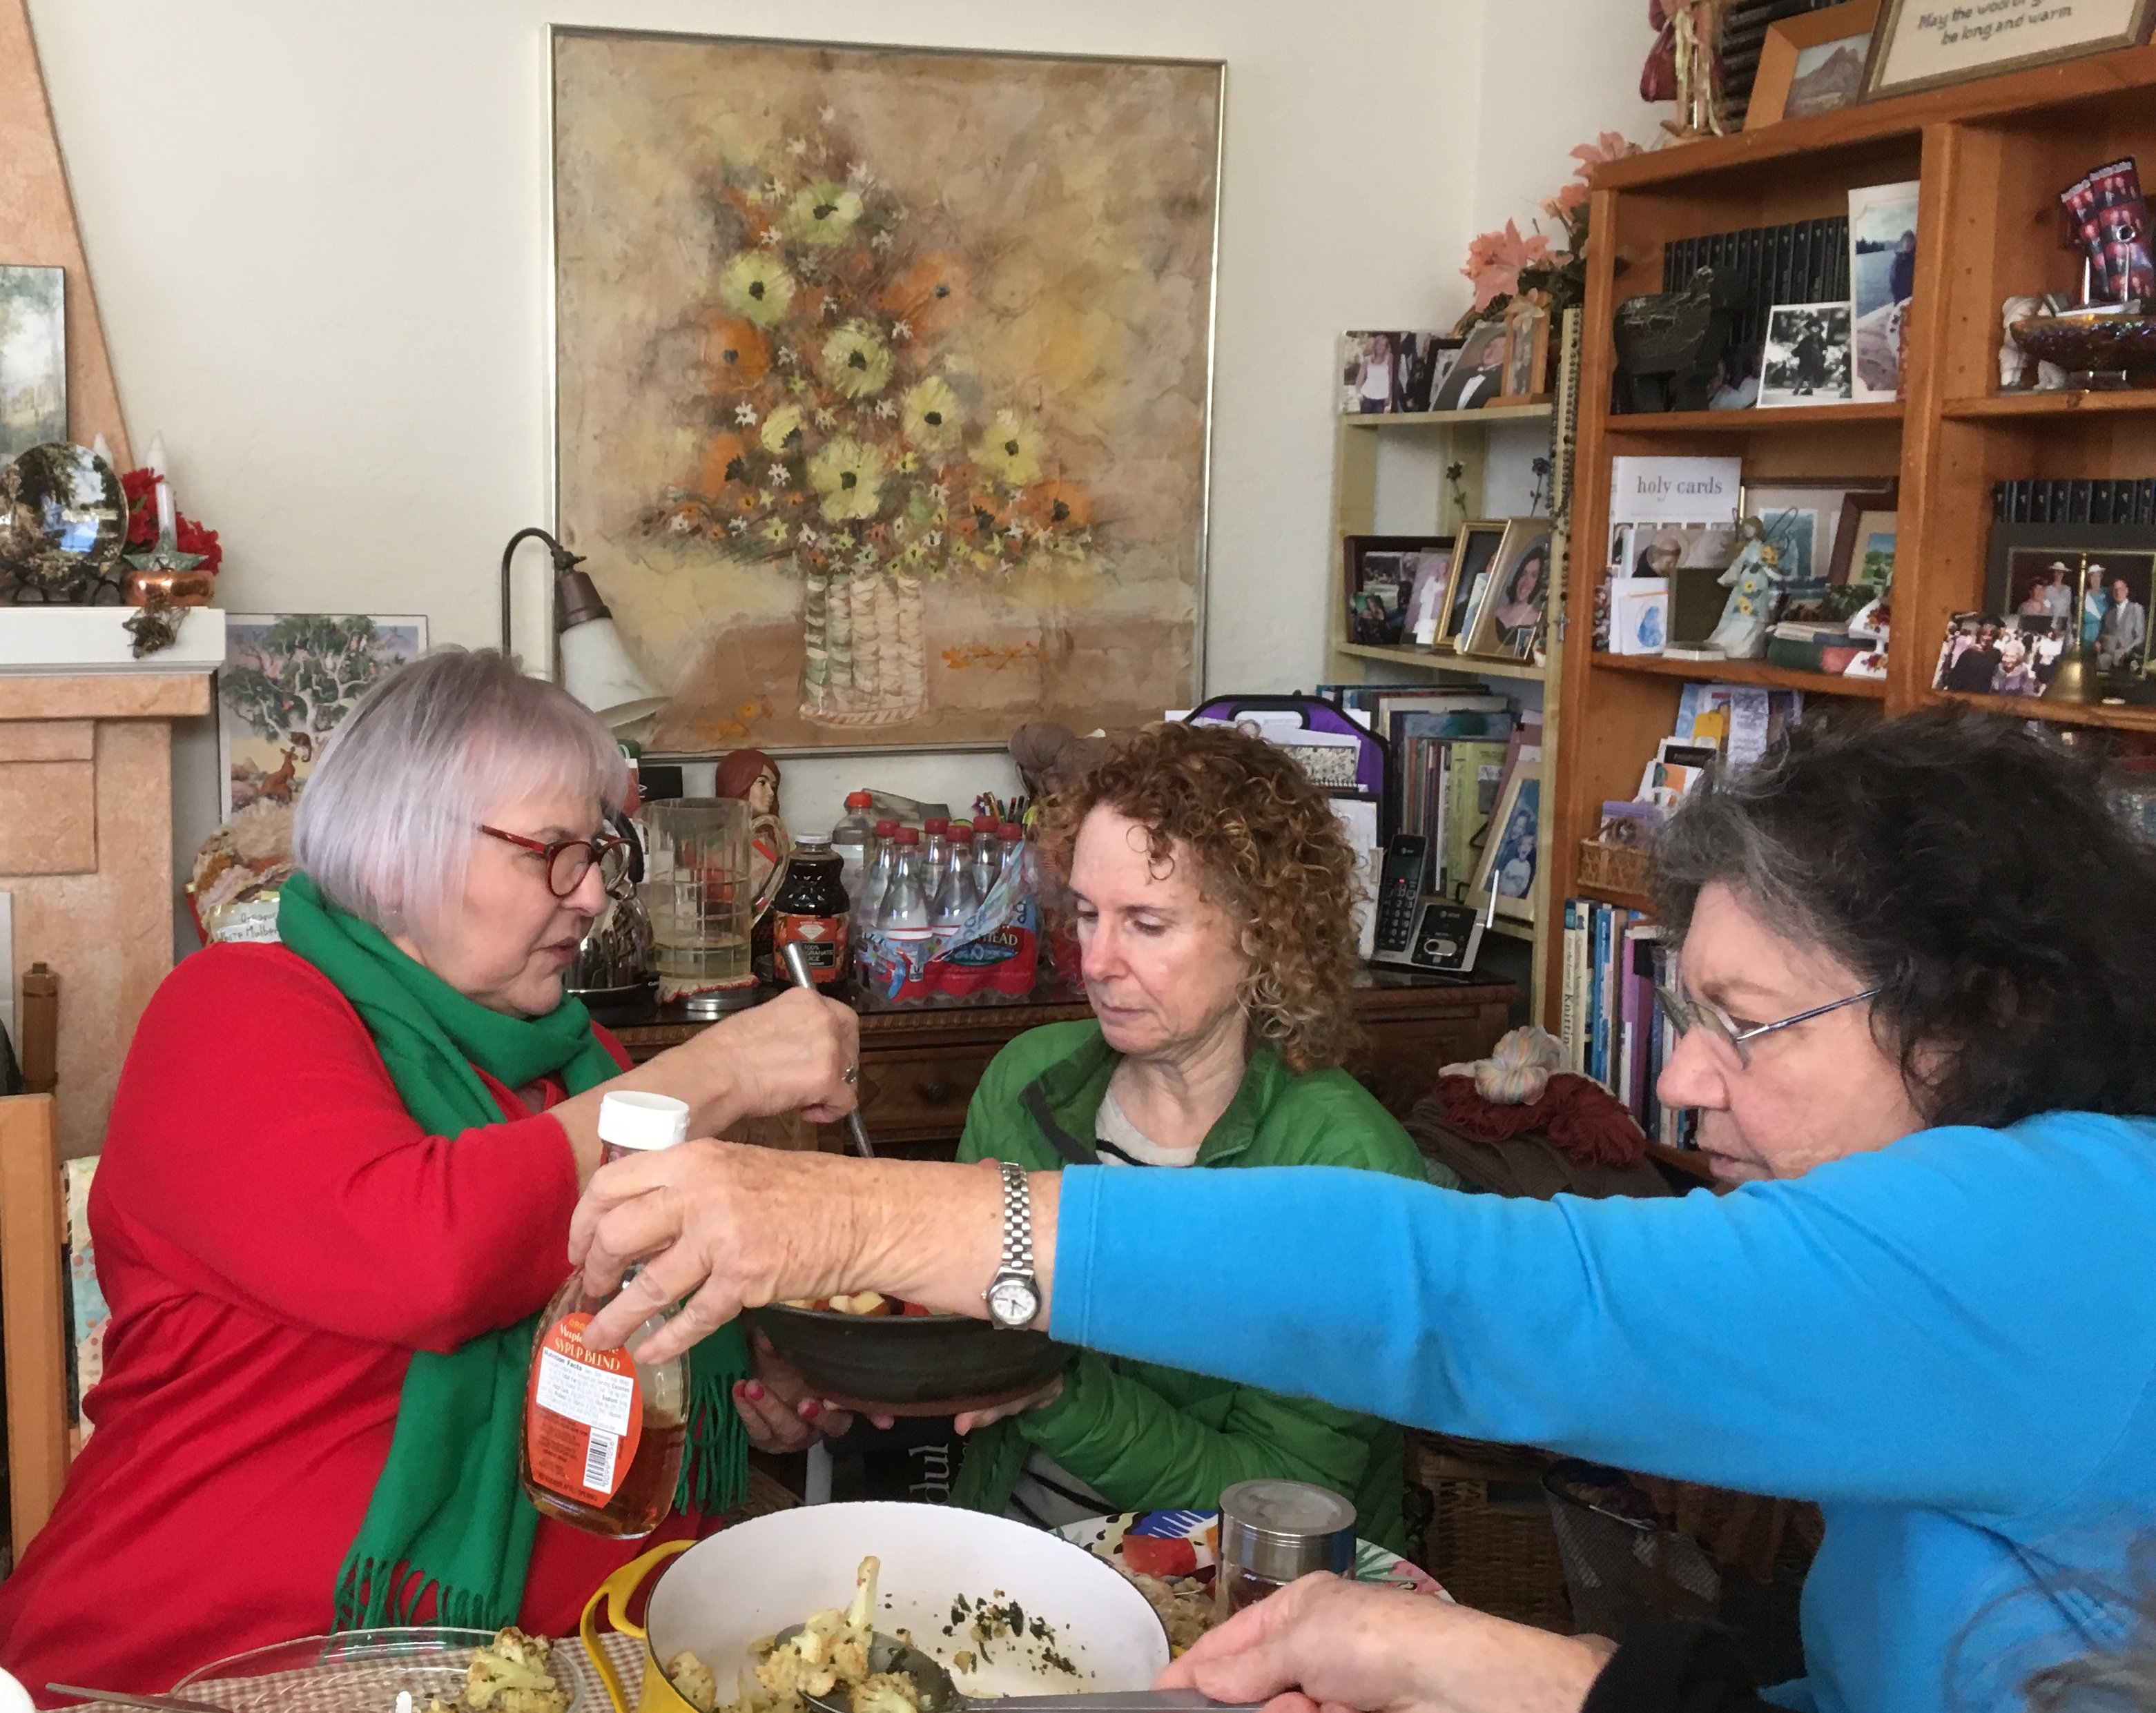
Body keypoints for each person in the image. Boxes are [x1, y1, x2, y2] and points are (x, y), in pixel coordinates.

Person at [568, 711, 2156, 1713]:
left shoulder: (2067, 1249)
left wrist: (856, 1219)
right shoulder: (1989, 1277)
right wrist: (1500, 1664)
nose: (1677, 1081)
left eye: (1742, 1021)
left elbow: (1464, 1295)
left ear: (1975, 1018)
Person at [0, 649, 860, 1699]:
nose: (592, 895)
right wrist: (722, 1070)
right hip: (241, 1657)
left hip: (587, 1647)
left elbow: (615, 1319)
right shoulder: (232, 1010)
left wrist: (750, 1368)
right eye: (554, 853)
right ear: (398, 850)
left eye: (599, 852)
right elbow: (433, 1258)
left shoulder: (577, 1061)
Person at [735, 722, 1441, 1551]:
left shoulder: (1348, 1165)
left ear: (1264, 932)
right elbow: (948, 1348)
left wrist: (1051, 1388)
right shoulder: (1028, 1079)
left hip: (1238, 1596)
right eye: (1086, 914)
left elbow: (1287, 1499)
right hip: (1014, 1563)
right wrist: (831, 1389)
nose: (1096, 962)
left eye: (1146, 923)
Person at [1490, 545, 1549, 655]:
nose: (1526, 581)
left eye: (1534, 575)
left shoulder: (1538, 621)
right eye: (1523, 574)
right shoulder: (1495, 611)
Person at [2099, 575, 2146, 672]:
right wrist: (2099, 642)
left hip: (2130, 656)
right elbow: (2105, 634)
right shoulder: (2109, 613)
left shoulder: (2136, 609)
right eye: (2115, 590)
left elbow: (2140, 638)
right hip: (2110, 656)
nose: (2118, 592)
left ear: (2126, 591)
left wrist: (2125, 650)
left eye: (2121, 589)